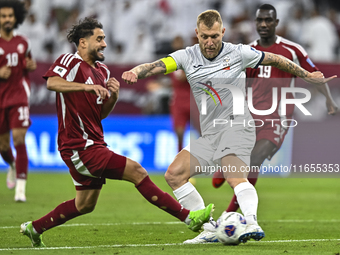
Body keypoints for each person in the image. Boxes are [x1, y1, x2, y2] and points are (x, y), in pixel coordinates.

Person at [122, 9, 335, 244]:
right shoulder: (186, 56)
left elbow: (276, 59)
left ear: (223, 32)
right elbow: (156, 66)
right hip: (211, 133)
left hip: (237, 126)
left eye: (215, 36)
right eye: (205, 36)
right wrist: (135, 71)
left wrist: (307, 75)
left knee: (235, 176)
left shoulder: (238, 53)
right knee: (174, 174)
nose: (210, 42)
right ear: (197, 34)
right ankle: (209, 230)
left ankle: (251, 222)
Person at [20, 17, 214, 248]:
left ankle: (35, 228)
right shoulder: (69, 61)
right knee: (137, 171)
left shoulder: (102, 71)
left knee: (85, 205)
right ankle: (188, 217)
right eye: (99, 39)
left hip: (94, 142)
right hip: (78, 145)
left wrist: (114, 97)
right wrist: (86, 87)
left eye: (104, 39)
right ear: (83, 42)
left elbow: (99, 114)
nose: (104, 44)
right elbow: (52, 83)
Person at [212, 4, 338, 213]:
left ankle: (229, 215)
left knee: (255, 159)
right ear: (255, 23)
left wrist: (329, 100)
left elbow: (315, 75)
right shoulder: (248, 52)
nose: (263, 24)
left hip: (278, 118)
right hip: (249, 116)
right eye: (260, 20)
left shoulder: (292, 50)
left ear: (276, 23)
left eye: (268, 20)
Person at [0, 0, 36, 202]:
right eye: (3, 16)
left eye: (10, 16)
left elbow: (29, 62)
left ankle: (20, 190)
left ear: (15, 18)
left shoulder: (24, 41)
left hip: (19, 97)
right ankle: (12, 165)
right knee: (3, 147)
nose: (7, 19)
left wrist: (31, 65)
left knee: (19, 139)